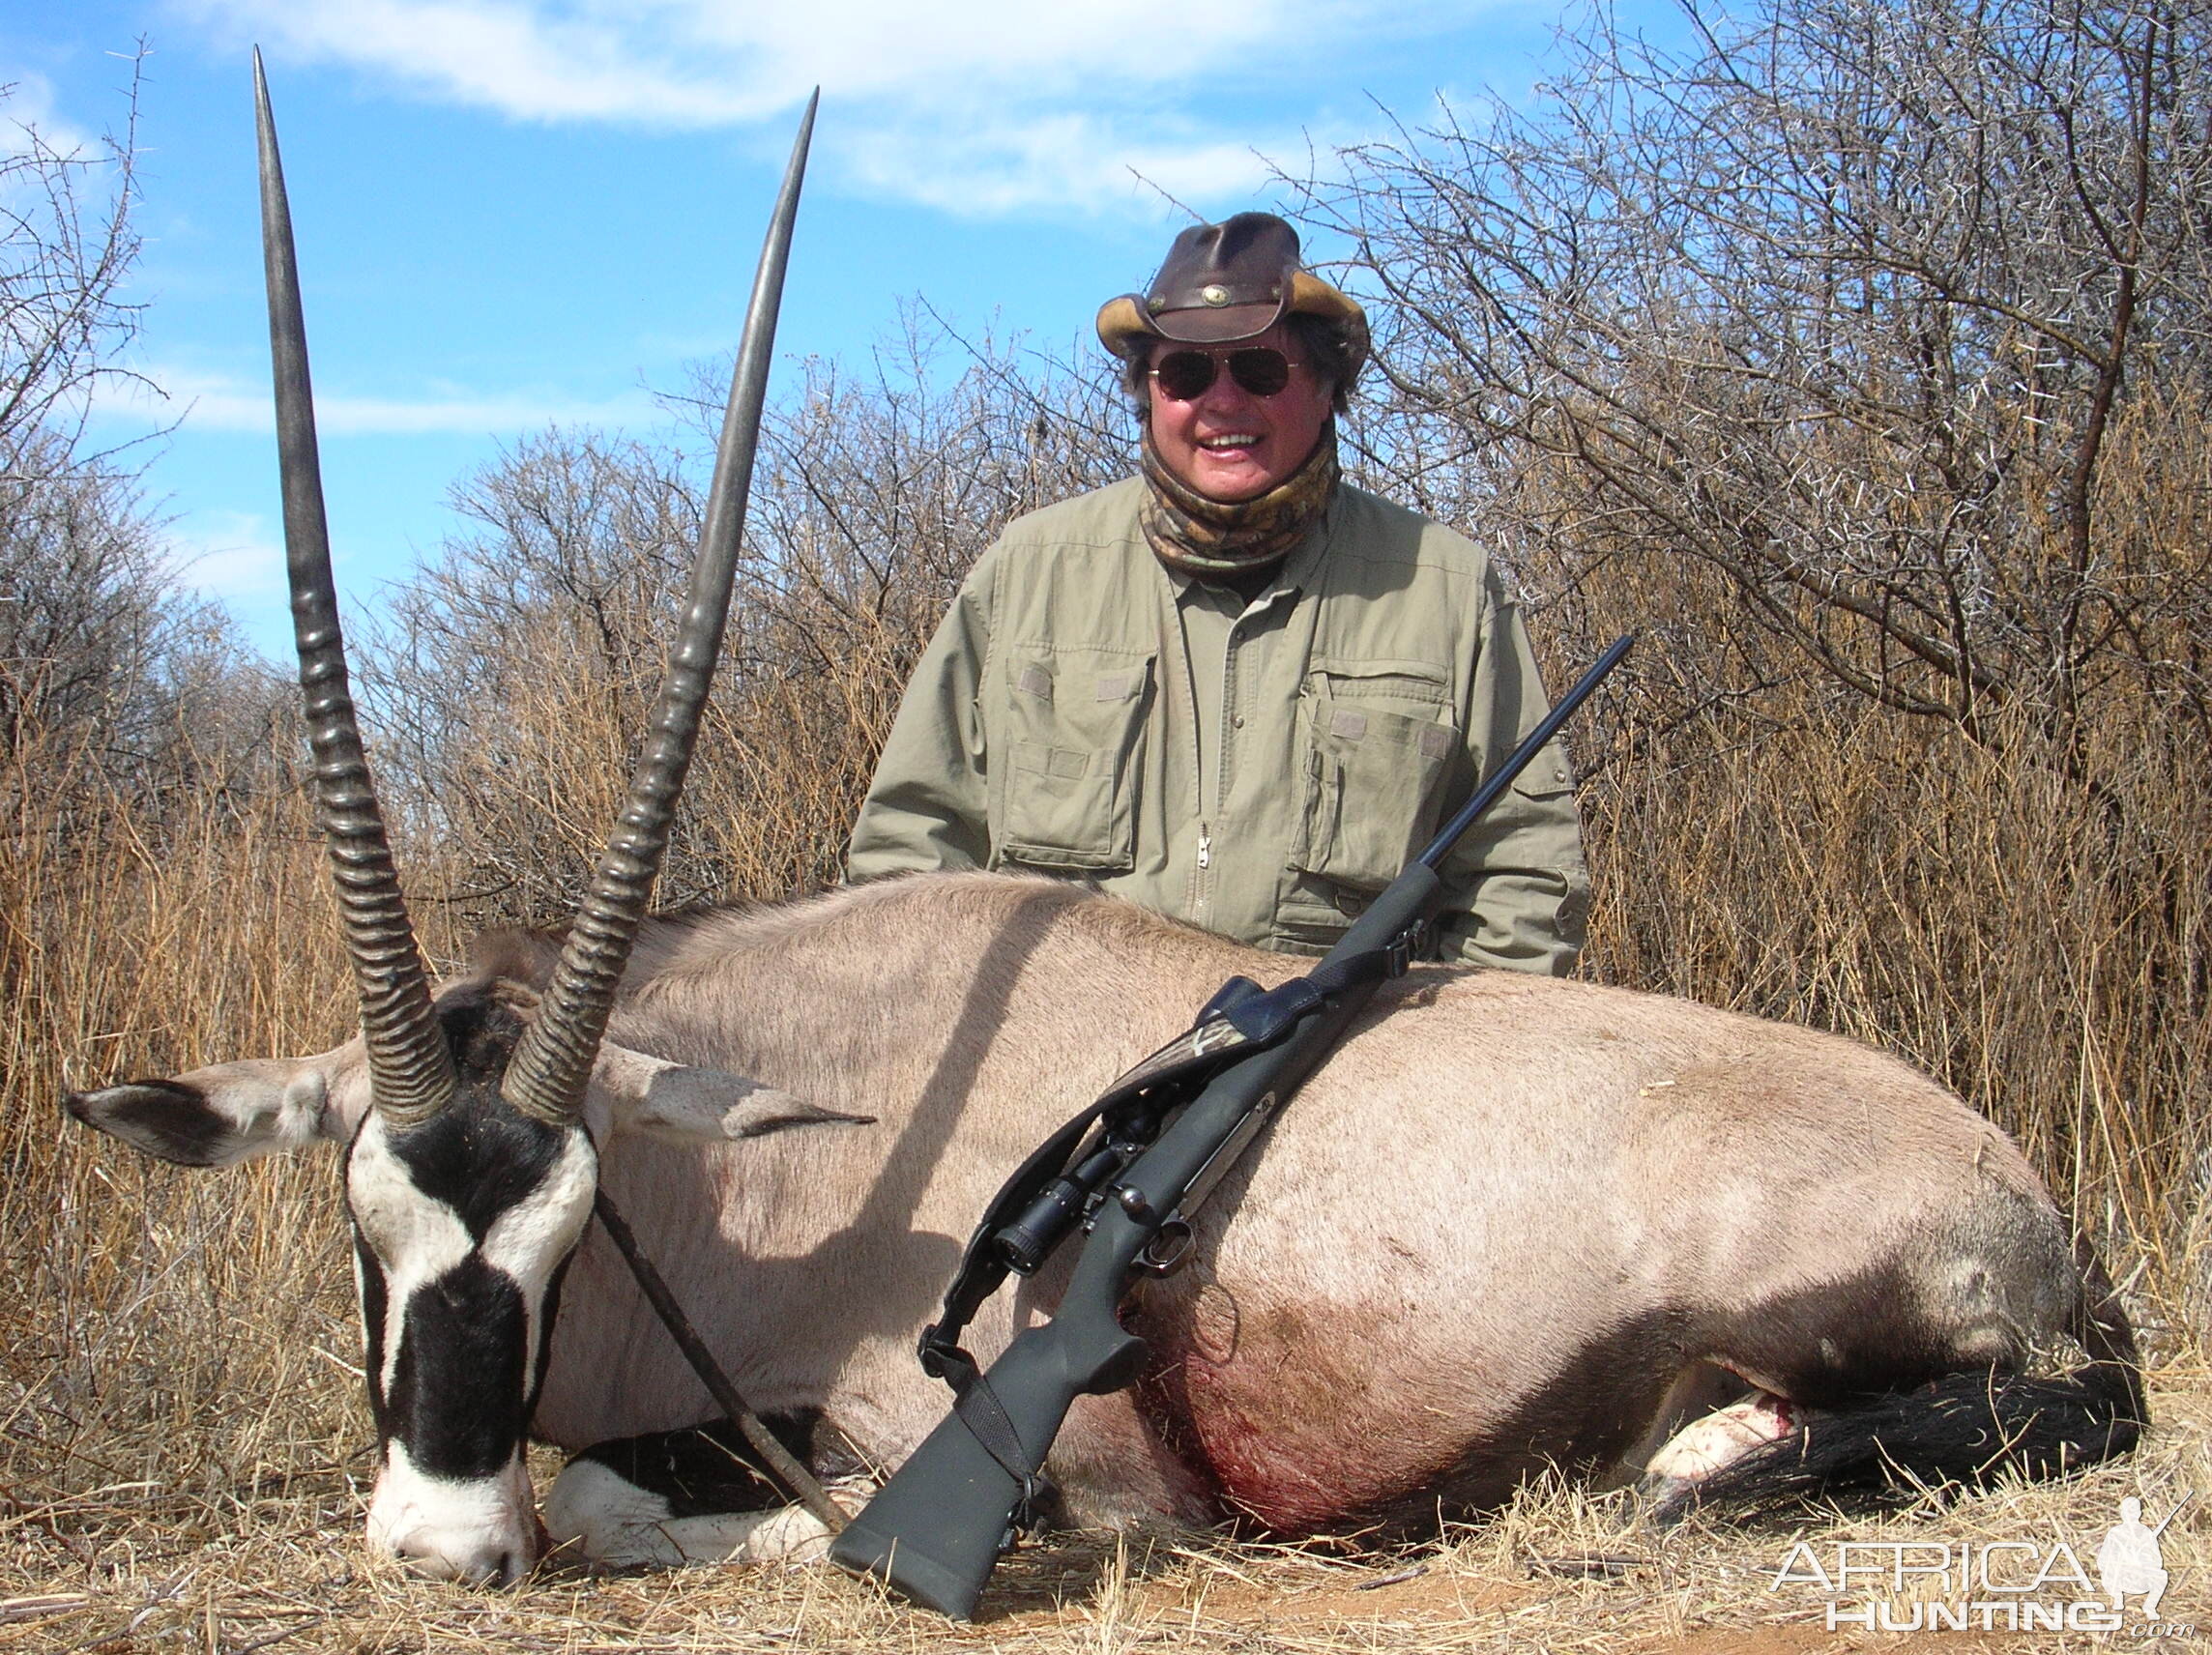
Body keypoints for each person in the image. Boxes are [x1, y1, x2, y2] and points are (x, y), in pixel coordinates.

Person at [846, 213, 1588, 972]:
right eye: (1188, 375)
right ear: (1148, 395)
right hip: (1056, 1066)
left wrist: (1427, 1063)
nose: (1222, 402)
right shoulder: (1028, 570)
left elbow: (1521, 883)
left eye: (1260, 371)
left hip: (1335, 1065)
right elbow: (908, 855)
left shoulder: (1449, 588)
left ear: (1328, 388)